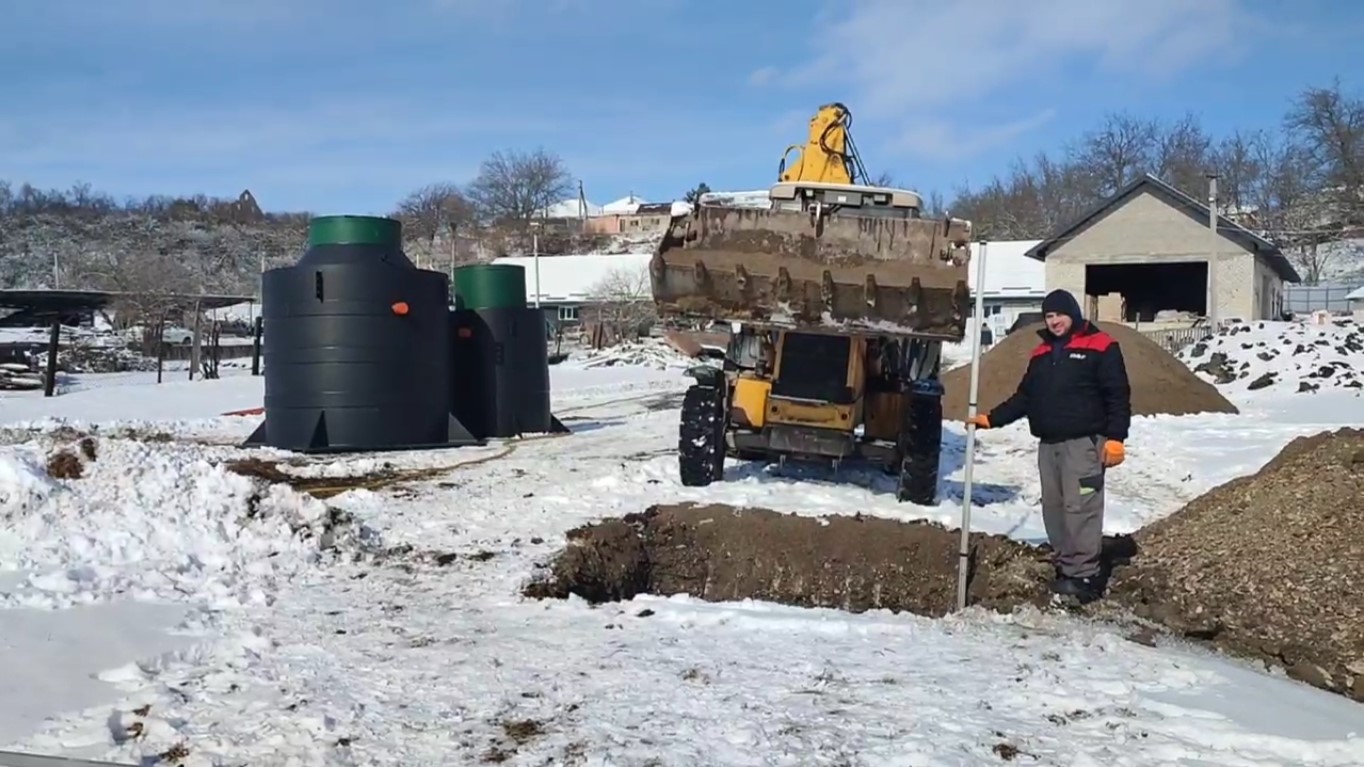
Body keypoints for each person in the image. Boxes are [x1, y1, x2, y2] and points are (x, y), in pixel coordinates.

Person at [966, 289, 1131, 602]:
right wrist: (992, 418)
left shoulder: (1102, 346)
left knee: (1080, 506)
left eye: (1059, 314)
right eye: (1049, 316)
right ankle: (1066, 565)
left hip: (1084, 444)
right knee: (1054, 507)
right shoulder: (1041, 353)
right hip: (1049, 445)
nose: (1054, 321)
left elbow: (1117, 395)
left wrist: (1116, 438)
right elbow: (1025, 397)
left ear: (1072, 312)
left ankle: (1085, 577)